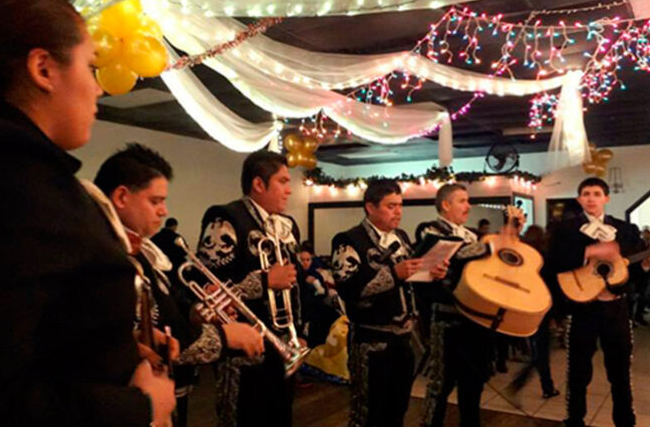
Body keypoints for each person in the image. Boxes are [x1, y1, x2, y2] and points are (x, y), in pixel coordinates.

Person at [0, 0, 174, 427]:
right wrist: (140, 408)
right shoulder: (3, 186)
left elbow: (16, 328)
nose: (99, 89)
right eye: (90, 66)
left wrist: (111, 346)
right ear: (44, 68)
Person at [93, 143, 265, 426]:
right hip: (122, 404)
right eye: (155, 201)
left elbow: (164, 312)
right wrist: (226, 337)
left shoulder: (138, 250)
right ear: (122, 196)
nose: (164, 211)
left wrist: (195, 311)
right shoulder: (105, 255)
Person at [197, 151, 307, 427]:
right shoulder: (225, 218)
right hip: (245, 351)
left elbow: (294, 284)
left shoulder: (287, 225)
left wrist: (298, 331)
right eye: (282, 181)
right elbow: (207, 289)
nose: (289, 188)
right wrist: (263, 281)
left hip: (282, 344)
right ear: (259, 184)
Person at [547, 177, 650, 427]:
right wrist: (590, 252)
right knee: (578, 371)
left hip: (615, 308)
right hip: (582, 308)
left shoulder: (625, 230)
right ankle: (575, 419)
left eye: (596, 193)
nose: (591, 198)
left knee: (620, 371)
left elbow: (631, 272)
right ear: (580, 199)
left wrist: (646, 263)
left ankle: (625, 421)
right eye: (586, 193)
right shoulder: (566, 228)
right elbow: (554, 263)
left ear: (606, 198)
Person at [330, 179, 422, 427]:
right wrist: (394, 274)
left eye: (400, 205)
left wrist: (429, 271)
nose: (398, 212)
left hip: (404, 339)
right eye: (391, 206)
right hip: (372, 341)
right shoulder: (348, 240)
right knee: (369, 411)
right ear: (370, 207)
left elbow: (410, 277)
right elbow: (348, 288)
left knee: (398, 408)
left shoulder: (401, 237)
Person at [416, 183, 498, 427]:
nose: (468, 206)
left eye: (468, 200)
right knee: (440, 386)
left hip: (476, 321)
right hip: (447, 322)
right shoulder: (431, 233)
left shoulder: (472, 234)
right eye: (462, 200)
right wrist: (493, 243)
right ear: (445, 205)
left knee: (472, 385)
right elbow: (453, 256)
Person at [523, 225, 561, 399]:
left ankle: (530, 363)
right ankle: (547, 386)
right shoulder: (547, 259)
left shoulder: (523, 258)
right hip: (542, 307)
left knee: (534, 344)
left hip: (523, 305)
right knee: (542, 347)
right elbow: (552, 288)